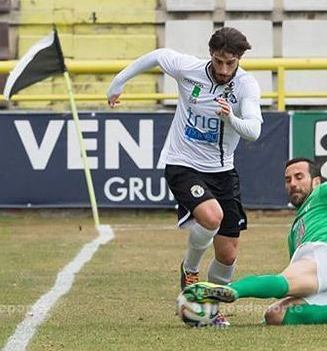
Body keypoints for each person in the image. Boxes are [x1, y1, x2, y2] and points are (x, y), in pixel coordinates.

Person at [107, 27, 263, 326]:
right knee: (211, 216)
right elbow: (157, 56)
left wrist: (231, 118)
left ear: (239, 59)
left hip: (223, 171)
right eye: (218, 61)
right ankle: (190, 270)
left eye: (230, 63)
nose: (223, 69)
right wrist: (118, 82)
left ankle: (209, 310)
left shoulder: (246, 86)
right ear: (211, 55)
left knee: (228, 255)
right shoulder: (189, 69)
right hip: (182, 163)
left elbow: (254, 131)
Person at [183, 157, 327, 325]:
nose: (292, 183)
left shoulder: (325, 191)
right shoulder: (295, 229)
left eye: (298, 177)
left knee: (284, 281)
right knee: (275, 315)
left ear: (316, 181)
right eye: (287, 180)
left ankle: (226, 291)